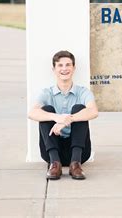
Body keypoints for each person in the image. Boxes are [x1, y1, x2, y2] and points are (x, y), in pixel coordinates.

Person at [28, 50, 98, 180]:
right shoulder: (46, 92)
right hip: (52, 151)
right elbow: (32, 113)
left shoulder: (83, 92)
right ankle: (55, 165)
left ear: (74, 68)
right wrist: (56, 117)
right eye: (60, 65)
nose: (64, 69)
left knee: (80, 109)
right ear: (54, 69)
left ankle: (75, 165)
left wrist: (68, 120)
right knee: (46, 110)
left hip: (79, 152)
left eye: (68, 65)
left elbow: (93, 111)